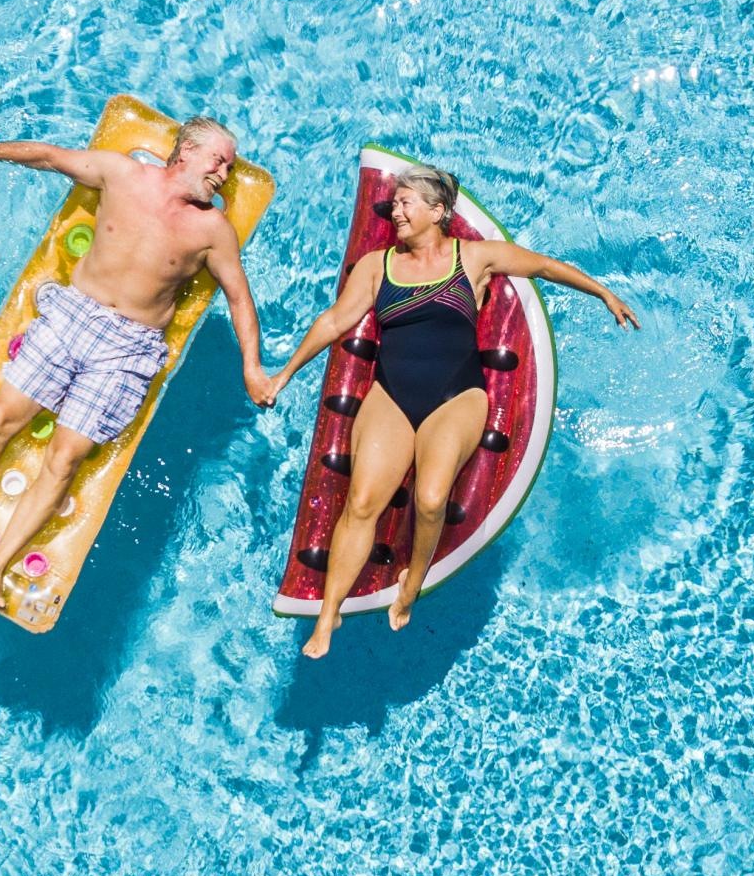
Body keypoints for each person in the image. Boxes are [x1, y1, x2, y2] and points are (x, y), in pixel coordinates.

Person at [0, 116, 272, 609]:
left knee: (64, 458)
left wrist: (251, 368)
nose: (224, 172)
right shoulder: (122, 174)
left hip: (128, 347)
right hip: (73, 315)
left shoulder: (212, 229)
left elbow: (239, 298)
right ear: (186, 151)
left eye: (230, 166)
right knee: (1, 419)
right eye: (218, 159)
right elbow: (48, 156)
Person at [266, 164, 638, 658]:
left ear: (438, 212)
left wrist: (603, 293)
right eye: (394, 203)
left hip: (457, 396)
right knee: (361, 502)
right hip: (391, 394)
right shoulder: (378, 266)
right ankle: (329, 614)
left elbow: (545, 266)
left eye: (406, 203)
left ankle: (413, 579)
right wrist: (284, 373)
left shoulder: (475, 258)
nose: (395, 211)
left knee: (431, 498)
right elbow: (336, 320)